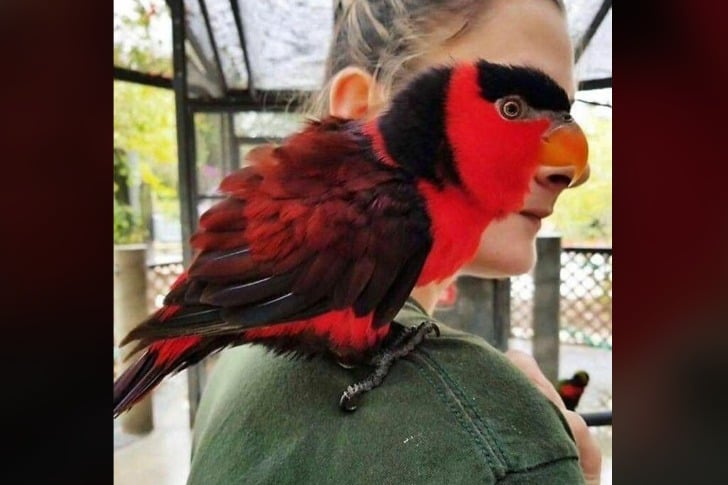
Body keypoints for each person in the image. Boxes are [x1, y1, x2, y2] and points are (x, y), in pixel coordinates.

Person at [188, 0, 602, 483]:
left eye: (564, 113)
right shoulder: (493, 441)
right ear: (360, 113)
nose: (569, 173)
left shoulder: (239, 361)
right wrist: (536, 456)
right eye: (512, 109)